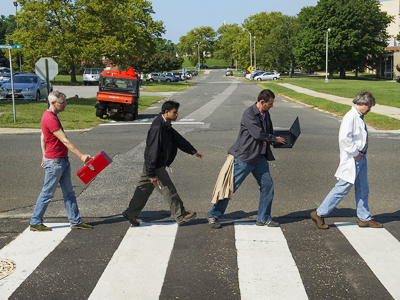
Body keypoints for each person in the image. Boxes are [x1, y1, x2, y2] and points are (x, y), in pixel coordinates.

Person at [206, 89, 286, 229]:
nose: (272, 106)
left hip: (260, 158)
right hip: (245, 157)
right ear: (262, 102)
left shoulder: (266, 114)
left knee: (268, 186)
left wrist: (282, 139)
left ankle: (263, 218)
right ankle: (213, 215)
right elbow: (258, 134)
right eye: (270, 103)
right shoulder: (249, 114)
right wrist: (274, 138)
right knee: (230, 188)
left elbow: (268, 132)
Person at [122, 100, 203, 226]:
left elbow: (178, 139)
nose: (177, 115)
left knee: (143, 190)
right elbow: (151, 151)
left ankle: (131, 212)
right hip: (155, 165)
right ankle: (180, 215)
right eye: (175, 112)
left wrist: (192, 151)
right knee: (169, 190)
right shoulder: (158, 127)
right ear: (167, 112)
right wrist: (151, 172)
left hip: (151, 165)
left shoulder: (166, 123)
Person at [311, 91, 382, 229]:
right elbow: (344, 138)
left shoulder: (358, 116)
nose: (370, 109)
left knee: (363, 189)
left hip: (361, 157)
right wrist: (355, 153)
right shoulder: (350, 117)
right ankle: (319, 213)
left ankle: (364, 218)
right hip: (353, 158)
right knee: (342, 188)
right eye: (369, 106)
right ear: (362, 103)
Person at [30, 91, 93, 231]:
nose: (65, 105)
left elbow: (43, 137)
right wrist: (81, 156)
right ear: (53, 103)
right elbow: (64, 140)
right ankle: (35, 222)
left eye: (65, 102)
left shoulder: (51, 115)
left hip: (60, 161)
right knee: (47, 193)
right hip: (55, 162)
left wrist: (44, 155)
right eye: (62, 103)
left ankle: (75, 221)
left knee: (69, 192)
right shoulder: (50, 118)